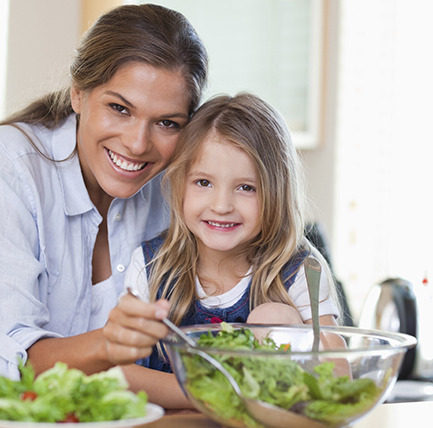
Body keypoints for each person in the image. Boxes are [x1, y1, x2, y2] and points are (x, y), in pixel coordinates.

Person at [0, 2, 208, 395]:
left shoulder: (180, 187)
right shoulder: (11, 169)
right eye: (119, 108)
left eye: (167, 123)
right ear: (78, 94)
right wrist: (106, 345)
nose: (137, 143)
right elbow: (10, 362)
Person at [123, 93, 341, 402]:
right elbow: (124, 373)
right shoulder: (150, 266)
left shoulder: (298, 270)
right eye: (203, 183)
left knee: (273, 315)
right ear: (180, 183)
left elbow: (338, 373)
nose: (222, 205)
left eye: (246, 188)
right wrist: (220, 395)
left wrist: (303, 347)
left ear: (275, 194)